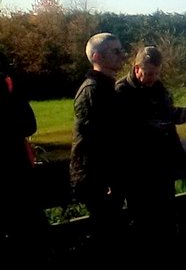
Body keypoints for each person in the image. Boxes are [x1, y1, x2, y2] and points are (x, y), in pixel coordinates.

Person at [114, 46, 186, 253]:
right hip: (138, 170)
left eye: (157, 73)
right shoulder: (121, 91)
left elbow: (171, 115)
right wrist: (148, 127)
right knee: (143, 220)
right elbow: (119, 131)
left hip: (163, 165)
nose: (152, 78)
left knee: (166, 215)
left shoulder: (159, 88)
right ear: (137, 68)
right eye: (149, 73)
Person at [70, 32, 127, 256]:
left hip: (107, 178)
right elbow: (95, 143)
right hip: (98, 181)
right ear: (96, 57)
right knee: (106, 237)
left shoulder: (107, 88)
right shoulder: (93, 91)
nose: (122, 55)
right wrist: (107, 180)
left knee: (111, 234)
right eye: (115, 51)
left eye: (121, 50)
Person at [0, 67, 48, 257]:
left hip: (17, 174)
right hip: (16, 174)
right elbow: (28, 124)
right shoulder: (6, 84)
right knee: (30, 236)